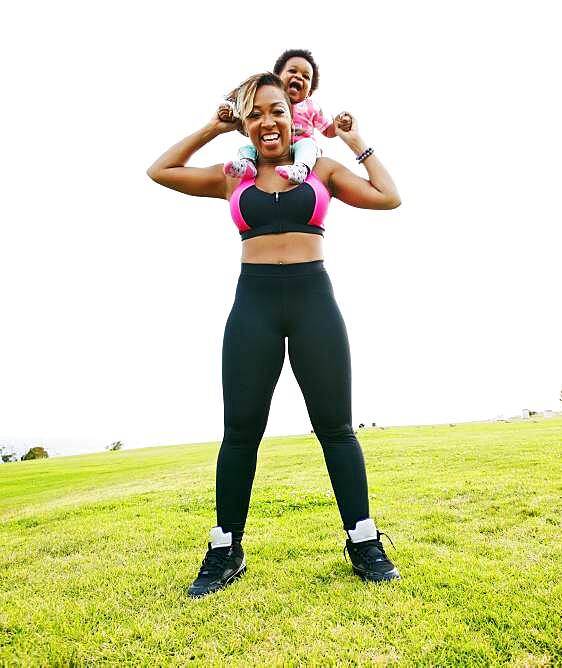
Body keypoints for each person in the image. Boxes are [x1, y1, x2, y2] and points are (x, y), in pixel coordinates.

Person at [147, 72, 401, 598]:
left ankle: (362, 539)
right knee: (240, 432)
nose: (268, 121)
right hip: (253, 306)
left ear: (294, 115)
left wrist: (355, 142)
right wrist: (212, 129)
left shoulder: (323, 170)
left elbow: (388, 196)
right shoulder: (230, 177)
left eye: (278, 110)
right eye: (256, 112)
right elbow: (160, 170)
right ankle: (225, 549)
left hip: (314, 303)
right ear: (245, 122)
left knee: (336, 428)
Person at [219, 49, 349, 185]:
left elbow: (328, 130)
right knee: (245, 149)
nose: (299, 76)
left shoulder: (311, 107)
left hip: (303, 150)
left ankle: (301, 169)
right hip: (273, 148)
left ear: (309, 93)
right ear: (277, 79)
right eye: (292, 71)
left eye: (306, 76)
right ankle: (247, 165)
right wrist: (229, 115)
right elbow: (246, 124)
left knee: (307, 145)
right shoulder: (263, 103)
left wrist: (339, 125)